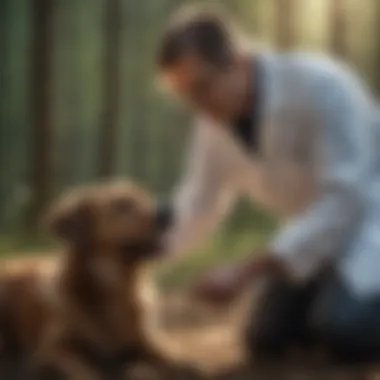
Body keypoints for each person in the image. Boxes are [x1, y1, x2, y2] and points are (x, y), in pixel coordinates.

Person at [155, 5, 380, 365]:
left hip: (371, 219)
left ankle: (341, 306)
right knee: (265, 337)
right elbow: (199, 200)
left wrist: (246, 271)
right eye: (186, 96)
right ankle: (334, 295)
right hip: (317, 237)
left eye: (203, 86)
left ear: (238, 61)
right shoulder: (213, 122)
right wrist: (146, 247)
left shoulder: (322, 86)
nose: (198, 105)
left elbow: (346, 200)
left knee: (345, 329)